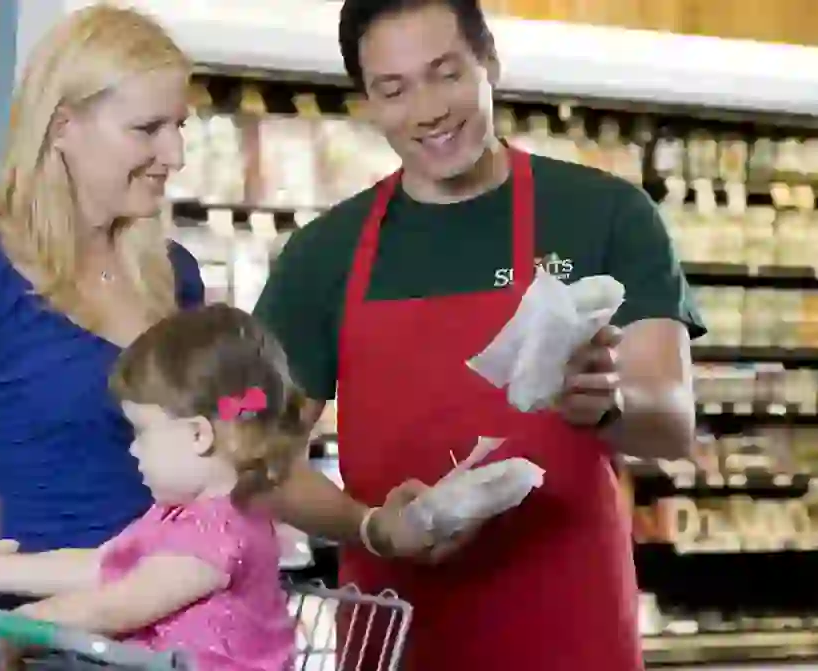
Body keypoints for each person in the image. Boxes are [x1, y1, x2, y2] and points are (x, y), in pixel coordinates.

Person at [252, 1, 705, 669]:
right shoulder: (323, 255)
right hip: (401, 629)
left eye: (446, 73)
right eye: (394, 88)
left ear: (488, 62)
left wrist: (610, 404)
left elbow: (672, 421)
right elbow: (260, 456)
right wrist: (373, 527)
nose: (427, 109)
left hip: (570, 627)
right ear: (368, 102)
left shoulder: (604, 214)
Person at [0, 4, 204, 572]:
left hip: (166, 630)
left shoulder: (176, 276)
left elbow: (221, 442)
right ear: (62, 127)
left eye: (179, 127)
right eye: (147, 129)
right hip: (18, 637)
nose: (175, 156)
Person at [0, 305, 300, 670]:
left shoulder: (218, 531)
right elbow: (105, 564)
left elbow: (119, 606)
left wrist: (25, 622)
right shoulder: (179, 514)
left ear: (198, 435)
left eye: (142, 431)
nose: (132, 448)